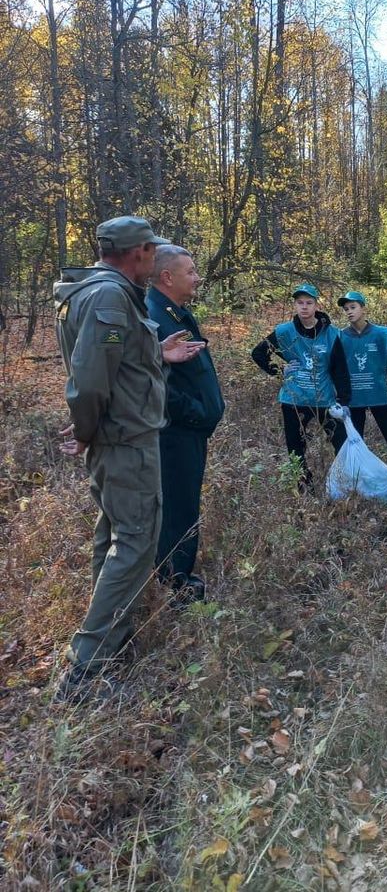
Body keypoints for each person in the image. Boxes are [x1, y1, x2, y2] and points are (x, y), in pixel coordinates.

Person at [53, 216, 205, 699]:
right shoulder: (108, 297)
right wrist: (84, 431)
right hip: (124, 444)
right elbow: (90, 379)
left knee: (113, 538)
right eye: (148, 251)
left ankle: (111, 638)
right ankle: (87, 670)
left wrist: (156, 353)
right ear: (135, 253)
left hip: (119, 439)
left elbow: (114, 365)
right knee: (136, 545)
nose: (152, 258)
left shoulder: (103, 292)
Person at [147, 245, 224, 603]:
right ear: (167, 277)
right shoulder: (153, 318)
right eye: (190, 271)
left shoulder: (174, 314)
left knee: (186, 503)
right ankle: (175, 584)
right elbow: (152, 385)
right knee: (178, 507)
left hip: (190, 431)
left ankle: (177, 574)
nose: (197, 277)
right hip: (175, 433)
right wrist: (194, 411)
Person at [251, 284, 350, 486]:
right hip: (294, 398)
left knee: (341, 440)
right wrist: (279, 370)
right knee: (296, 446)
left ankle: (343, 481)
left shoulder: (332, 334)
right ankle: (304, 483)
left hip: (324, 398)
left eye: (308, 303)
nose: (304, 307)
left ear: (316, 305)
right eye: (300, 303)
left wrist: (343, 400)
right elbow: (258, 353)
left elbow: (340, 370)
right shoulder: (284, 331)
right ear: (295, 305)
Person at [337, 290, 387, 456]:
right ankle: (357, 473)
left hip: (377, 392)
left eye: (353, 307)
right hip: (354, 396)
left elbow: (384, 363)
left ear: (363, 308)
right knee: (354, 440)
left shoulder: (381, 333)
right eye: (346, 309)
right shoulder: (340, 336)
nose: (349, 311)